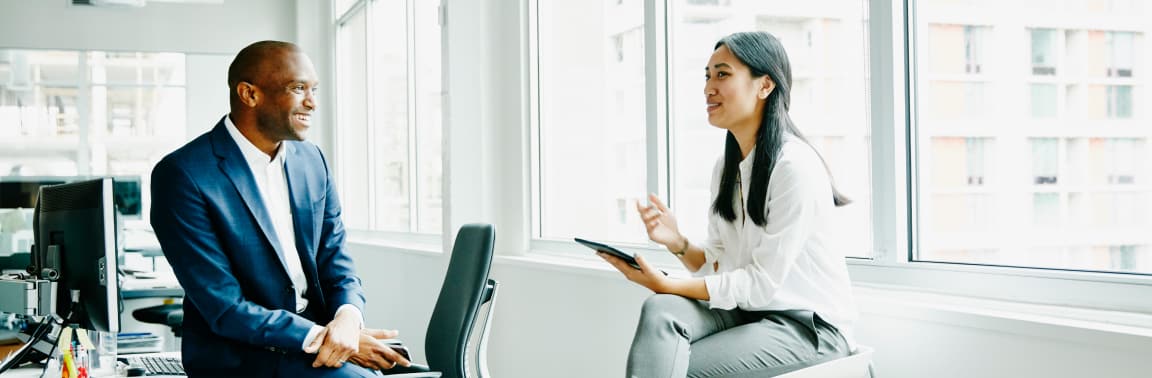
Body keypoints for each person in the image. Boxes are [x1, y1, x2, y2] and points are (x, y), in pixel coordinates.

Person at [598, 31, 858, 377]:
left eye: (722, 74)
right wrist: (678, 243)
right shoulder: (727, 167)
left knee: (680, 367)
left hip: (807, 327)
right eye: (707, 76)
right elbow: (722, 268)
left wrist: (668, 282)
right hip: (750, 310)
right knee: (661, 310)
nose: (708, 88)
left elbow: (759, 284)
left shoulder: (794, 167)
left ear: (765, 86)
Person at [150, 40, 410, 377]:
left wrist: (347, 318)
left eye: (314, 89)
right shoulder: (184, 174)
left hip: (317, 342)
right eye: (298, 88)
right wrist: (323, 337)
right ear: (249, 94)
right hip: (240, 355)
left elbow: (336, 260)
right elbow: (224, 306)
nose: (312, 102)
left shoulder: (313, 161)